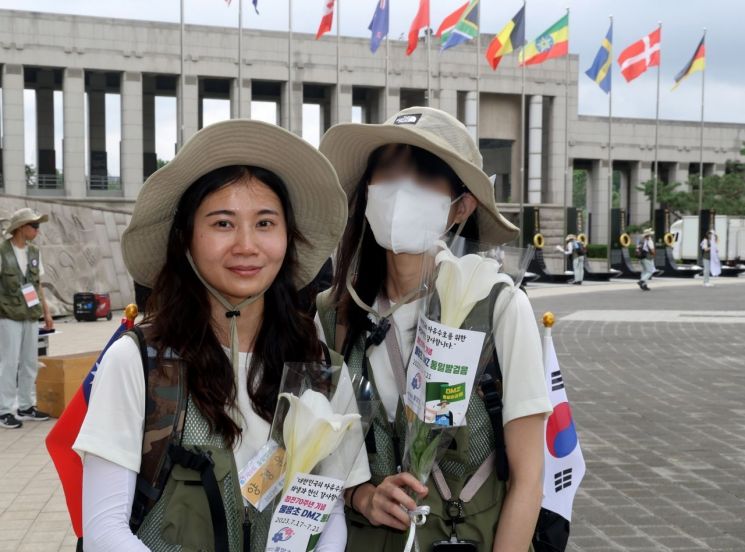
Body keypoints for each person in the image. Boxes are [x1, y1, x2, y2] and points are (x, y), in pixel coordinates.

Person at [72, 120, 369, 551]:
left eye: (265, 223)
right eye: (223, 223)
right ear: (186, 240)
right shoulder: (139, 362)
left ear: (288, 238)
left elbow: (330, 511)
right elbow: (104, 532)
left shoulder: (319, 368)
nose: (247, 245)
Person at [317, 107, 553, 551]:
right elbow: (317, 459)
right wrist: (361, 495)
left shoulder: (497, 304)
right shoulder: (334, 314)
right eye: (386, 170)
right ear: (367, 190)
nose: (401, 189)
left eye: (424, 174)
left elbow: (530, 478)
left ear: (460, 206)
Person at [0, 207, 53, 429]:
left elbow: (38, 286)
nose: (37, 230)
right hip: (8, 314)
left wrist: (47, 312)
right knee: (9, 362)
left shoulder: (34, 252)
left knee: (30, 361)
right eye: (34, 226)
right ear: (21, 227)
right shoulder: (2, 251)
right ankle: (4, 410)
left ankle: (25, 406)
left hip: (30, 315)